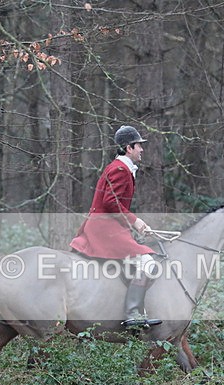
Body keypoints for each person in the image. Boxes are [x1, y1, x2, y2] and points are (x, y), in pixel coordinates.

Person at [69, 125, 162, 329]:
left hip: (107, 226)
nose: (142, 150)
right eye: (139, 146)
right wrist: (135, 222)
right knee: (148, 262)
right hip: (105, 230)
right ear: (129, 148)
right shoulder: (120, 169)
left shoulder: (120, 168)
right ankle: (133, 314)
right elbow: (112, 203)